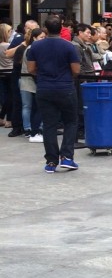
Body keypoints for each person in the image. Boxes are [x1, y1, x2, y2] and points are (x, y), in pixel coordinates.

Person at [25, 16, 81, 173]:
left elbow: (30, 69)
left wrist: (43, 75)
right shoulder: (69, 46)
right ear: (61, 27)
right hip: (65, 87)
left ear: (45, 29)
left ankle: (51, 161)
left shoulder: (36, 46)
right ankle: (67, 157)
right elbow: (76, 70)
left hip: (44, 87)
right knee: (70, 122)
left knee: (49, 124)